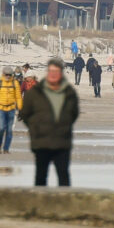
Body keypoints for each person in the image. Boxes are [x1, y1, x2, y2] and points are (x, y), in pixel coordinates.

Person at [19, 58, 79, 186]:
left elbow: (74, 113)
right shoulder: (35, 92)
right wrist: (34, 128)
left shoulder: (69, 92)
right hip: (41, 142)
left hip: (62, 142)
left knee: (63, 177)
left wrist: (64, 127)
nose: (53, 74)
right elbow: (25, 114)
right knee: (41, 177)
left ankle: (64, 205)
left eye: (56, 71)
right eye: (51, 71)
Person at [0, 65, 23, 152]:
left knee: (9, 130)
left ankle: (6, 149)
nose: (8, 76)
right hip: (1, 109)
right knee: (1, 129)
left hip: (11, 109)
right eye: (6, 74)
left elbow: (18, 97)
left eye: (10, 74)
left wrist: (20, 110)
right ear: (3, 74)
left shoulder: (15, 83)